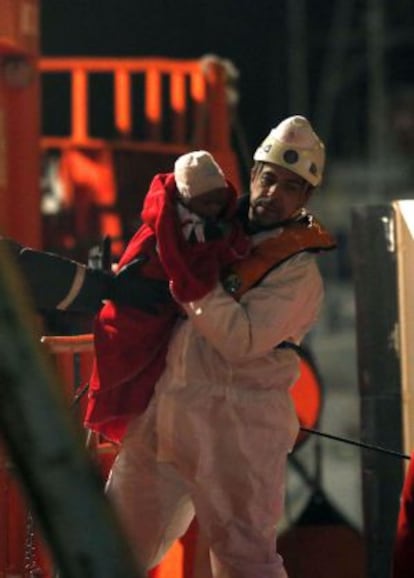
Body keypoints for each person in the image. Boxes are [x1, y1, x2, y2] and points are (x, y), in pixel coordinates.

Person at [104, 115, 336, 578]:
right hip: (169, 412)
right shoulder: (212, 232)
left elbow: (241, 340)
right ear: (252, 174)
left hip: (239, 432)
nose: (273, 194)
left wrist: (190, 284)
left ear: (305, 198)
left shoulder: (297, 273)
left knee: (245, 563)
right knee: (108, 548)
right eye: (269, 178)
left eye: (290, 187)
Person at [85, 150, 250, 443]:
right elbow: (180, 273)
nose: (214, 208)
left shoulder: (216, 222)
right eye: (206, 202)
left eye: (218, 200)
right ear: (187, 200)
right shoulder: (163, 231)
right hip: (147, 317)